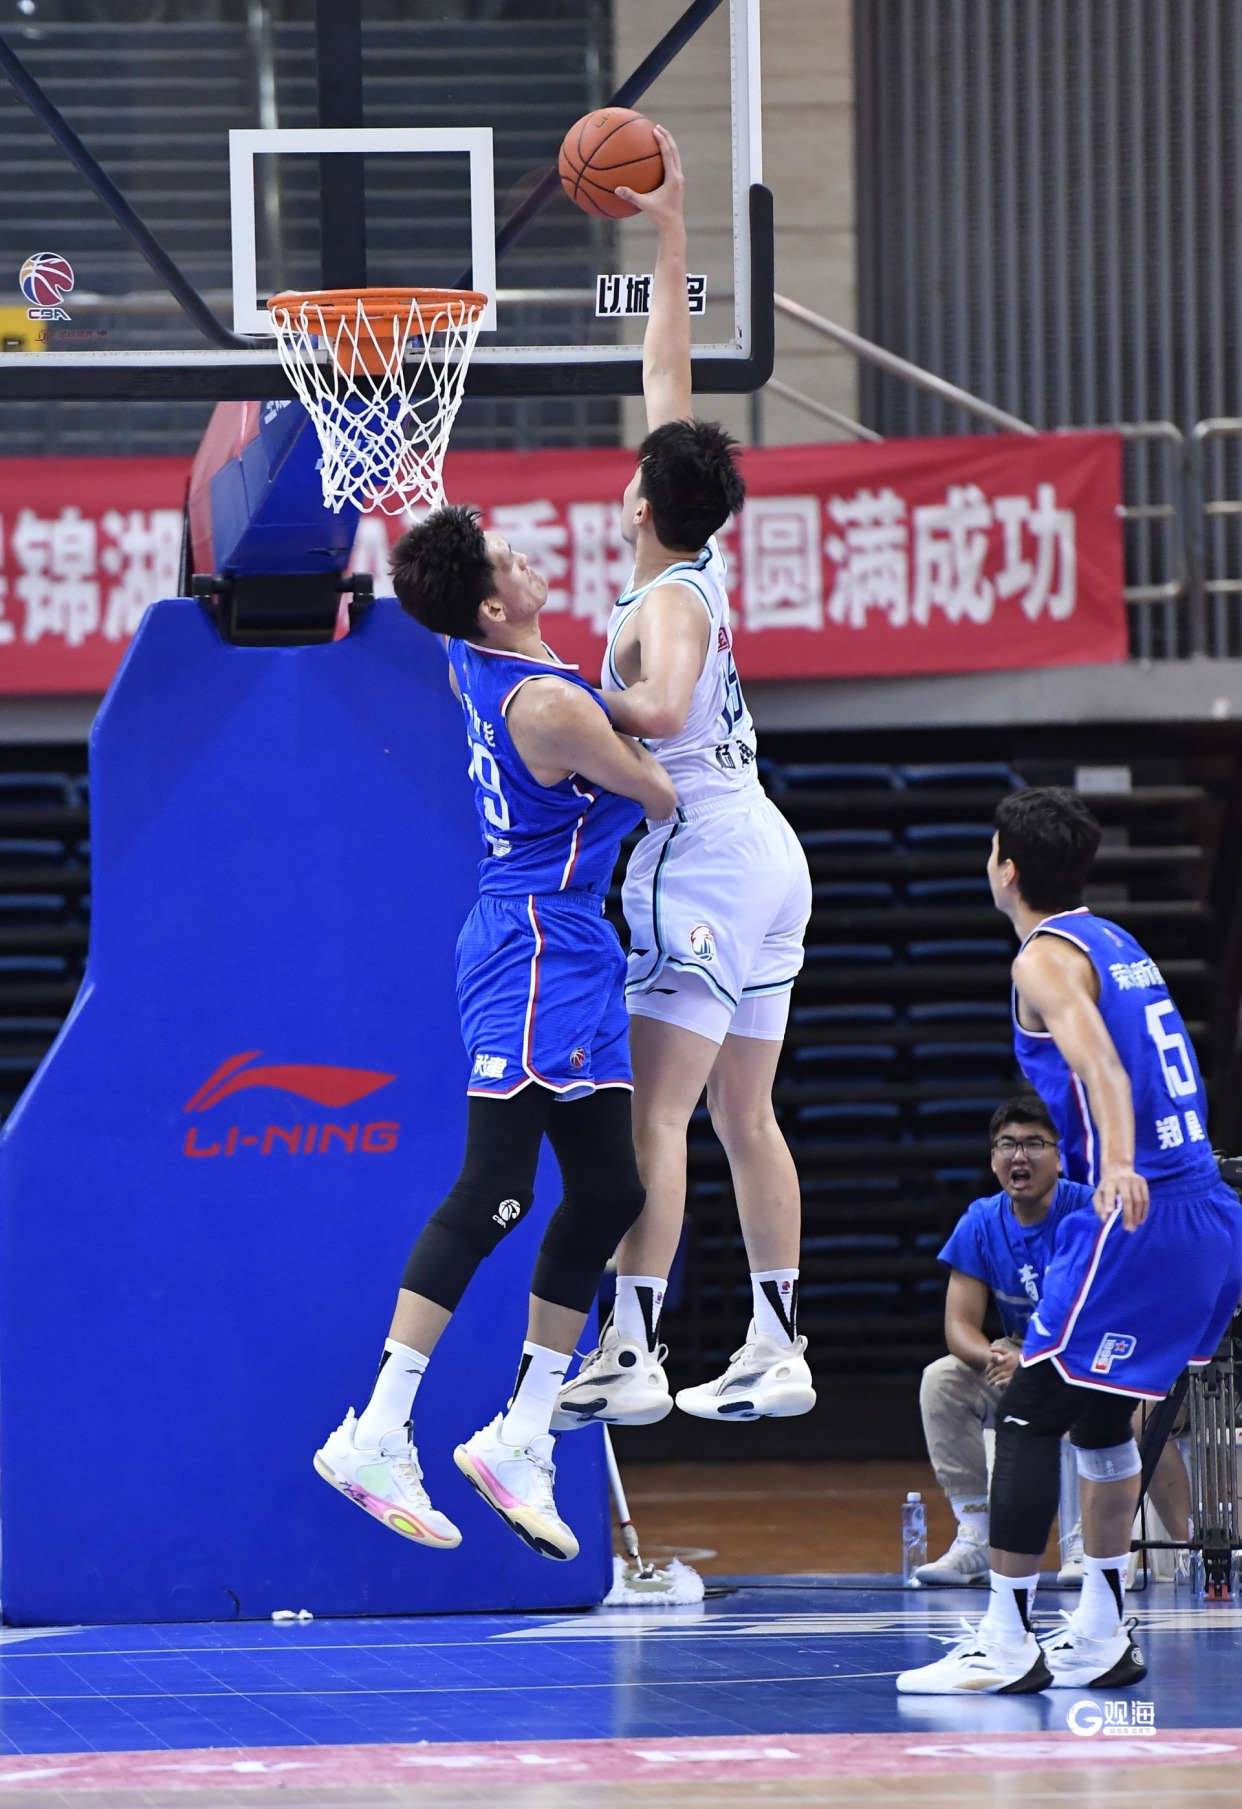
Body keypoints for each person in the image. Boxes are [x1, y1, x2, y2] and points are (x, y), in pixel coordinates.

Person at [314, 506, 676, 1561]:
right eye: (507, 559)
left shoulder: (476, 657)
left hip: (567, 941)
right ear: (487, 604)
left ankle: (521, 1432)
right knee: (497, 1188)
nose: (525, 558)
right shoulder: (550, 702)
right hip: (533, 944)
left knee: (608, 1189)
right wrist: (645, 707)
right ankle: (379, 1428)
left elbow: (597, 718)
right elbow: (658, 791)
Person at [551, 126, 814, 1436]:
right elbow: (668, 370)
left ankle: (635, 1347)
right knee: (742, 1114)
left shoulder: (666, 603)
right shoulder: (693, 558)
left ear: (644, 503)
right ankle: (776, 1343)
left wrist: (561, 697)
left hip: (699, 854)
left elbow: (656, 707)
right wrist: (665, 231)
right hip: (768, 853)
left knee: (654, 1113)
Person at [899, 786, 1242, 1694]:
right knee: (1099, 1414)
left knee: (1027, 1409)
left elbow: (1100, 1063)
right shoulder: (1117, 943)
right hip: (1206, 1213)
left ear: (1007, 869)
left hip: (1140, 1211)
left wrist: (1118, 1162)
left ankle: (1006, 1639)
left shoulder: (1043, 959)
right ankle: (1100, 1627)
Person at [917, 1093, 1191, 1589]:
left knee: (1094, 1400)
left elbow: (1115, 1312)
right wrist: (996, 1355)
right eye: (1007, 1145)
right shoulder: (981, 1221)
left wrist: (1036, 1361)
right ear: (993, 1159)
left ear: (1061, 1157)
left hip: (1099, 1355)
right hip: (1019, 1355)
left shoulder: (1091, 1211)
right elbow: (958, 1326)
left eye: (1033, 1143)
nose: (1018, 1155)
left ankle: (1102, 1544)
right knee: (942, 1381)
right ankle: (977, 1533)